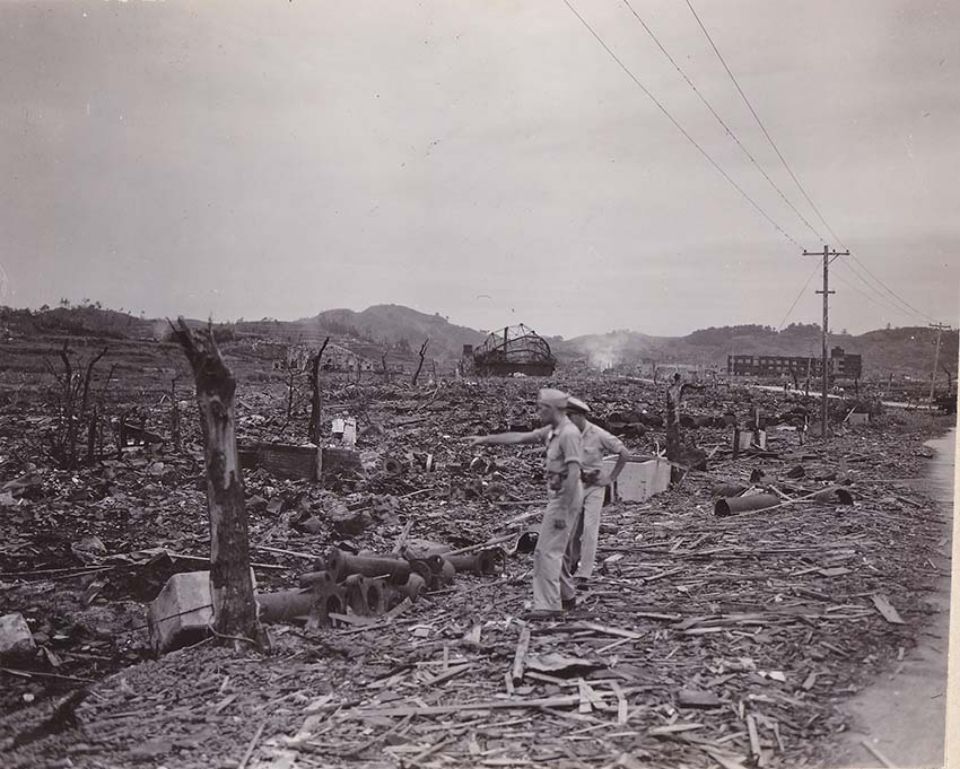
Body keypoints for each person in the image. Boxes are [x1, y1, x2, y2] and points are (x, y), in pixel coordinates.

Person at [468, 388, 582, 618]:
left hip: (565, 495)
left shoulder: (569, 434)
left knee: (545, 552)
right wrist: (486, 439)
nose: (538, 412)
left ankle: (549, 606)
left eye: (541, 408)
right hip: (560, 495)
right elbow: (519, 438)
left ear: (552, 409)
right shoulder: (554, 430)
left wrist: (562, 509)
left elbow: (574, 472)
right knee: (555, 547)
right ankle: (567, 597)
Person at [563, 397, 630, 582]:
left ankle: (584, 574)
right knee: (571, 530)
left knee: (590, 530)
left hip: (594, 487)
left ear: (579, 416)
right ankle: (571, 563)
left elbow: (624, 453)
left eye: (569, 416)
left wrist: (611, 478)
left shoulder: (599, 434)